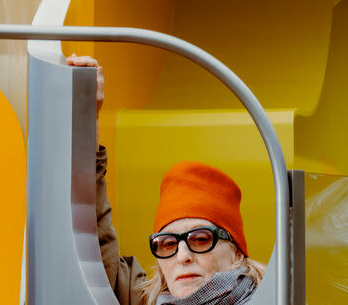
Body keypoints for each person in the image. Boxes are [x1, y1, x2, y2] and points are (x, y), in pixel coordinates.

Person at [67, 55, 266, 305]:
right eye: (168, 243)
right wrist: (86, 116)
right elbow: (94, 246)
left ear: (237, 253)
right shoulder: (145, 300)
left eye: (201, 239)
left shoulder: (277, 298)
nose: (182, 256)